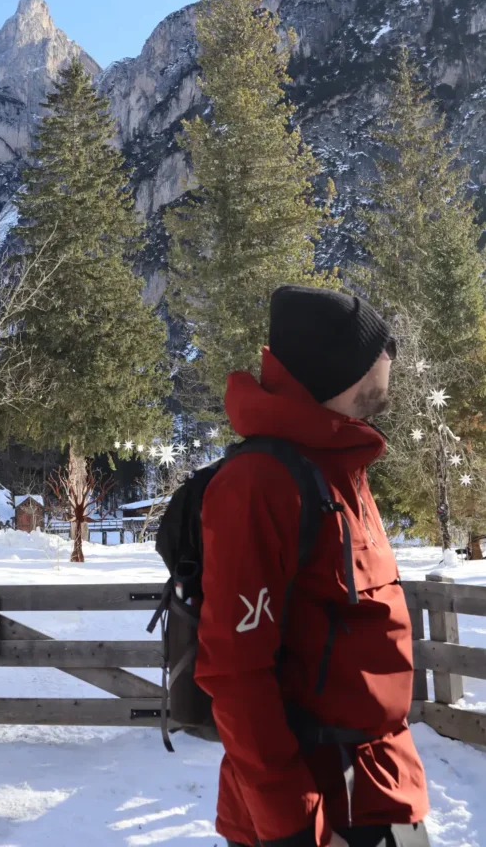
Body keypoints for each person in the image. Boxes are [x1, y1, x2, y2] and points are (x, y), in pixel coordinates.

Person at [195, 286, 430, 847]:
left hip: (382, 790)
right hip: (317, 809)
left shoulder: (342, 463)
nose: (388, 361)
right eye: (377, 351)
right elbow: (235, 675)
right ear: (334, 369)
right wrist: (297, 827)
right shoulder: (259, 484)